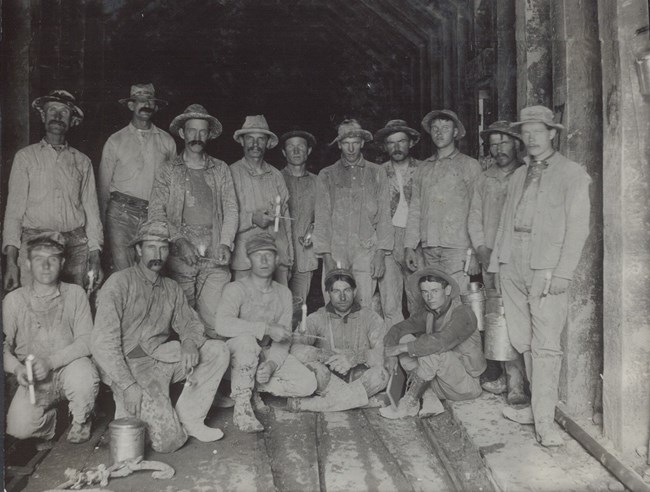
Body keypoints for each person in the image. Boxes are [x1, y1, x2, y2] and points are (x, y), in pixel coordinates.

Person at [488, 106, 591, 447]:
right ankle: (537, 407)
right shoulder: (519, 175)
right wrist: (497, 266)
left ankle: (545, 423)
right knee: (522, 341)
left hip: (545, 265)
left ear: (552, 134)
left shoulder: (572, 174)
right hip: (512, 262)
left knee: (546, 346)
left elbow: (578, 228)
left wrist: (563, 272)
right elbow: (505, 223)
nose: (530, 138)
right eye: (526, 132)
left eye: (537, 131)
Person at [92, 220, 229, 453]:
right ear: (138, 249)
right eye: (151, 247)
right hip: (130, 367)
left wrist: (188, 342)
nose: (158, 254)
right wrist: (127, 385)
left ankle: (190, 417)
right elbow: (103, 343)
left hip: (161, 358)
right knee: (168, 442)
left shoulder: (171, 287)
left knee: (218, 350)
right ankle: (137, 408)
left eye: (163, 247)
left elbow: (191, 323)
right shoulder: (119, 283)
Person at [212, 233, 317, 433]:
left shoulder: (283, 294)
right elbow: (221, 325)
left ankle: (254, 387)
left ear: (277, 260)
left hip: (264, 353)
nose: (263, 260)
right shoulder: (236, 288)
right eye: (257, 255)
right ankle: (242, 406)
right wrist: (266, 328)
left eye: (268, 255)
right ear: (248, 259)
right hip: (235, 355)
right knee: (247, 342)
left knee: (308, 384)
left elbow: (283, 339)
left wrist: (271, 364)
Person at [4, 232, 99, 446]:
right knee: (19, 428)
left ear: (63, 263)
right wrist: (18, 370)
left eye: (53, 259)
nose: (46, 266)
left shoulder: (75, 294)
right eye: (39, 259)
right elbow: (4, 348)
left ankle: (82, 418)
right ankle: (59, 421)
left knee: (83, 374)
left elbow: (87, 340)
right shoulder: (14, 300)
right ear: (28, 263)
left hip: (68, 368)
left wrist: (51, 362)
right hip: (34, 378)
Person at [3, 90, 103, 292]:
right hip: (34, 243)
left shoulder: (82, 161)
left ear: (72, 120)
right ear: (43, 116)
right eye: (52, 111)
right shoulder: (25, 157)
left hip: (75, 246)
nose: (57, 116)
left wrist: (95, 258)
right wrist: (11, 263)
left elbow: (92, 212)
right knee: (35, 309)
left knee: (75, 306)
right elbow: (13, 213)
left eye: (64, 112)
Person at [148, 104, 238, 330]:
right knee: (180, 321)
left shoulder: (220, 169)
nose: (197, 137)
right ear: (182, 133)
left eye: (202, 131)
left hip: (215, 258)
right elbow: (156, 211)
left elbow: (231, 209)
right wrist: (179, 240)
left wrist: (226, 243)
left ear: (208, 135)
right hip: (180, 257)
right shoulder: (168, 170)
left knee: (215, 323)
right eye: (191, 131)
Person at [468, 120, 527, 404]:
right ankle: (507, 377)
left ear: (517, 143)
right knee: (498, 320)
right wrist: (480, 248)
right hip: (490, 261)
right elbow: (474, 216)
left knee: (519, 318)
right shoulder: (484, 178)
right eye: (492, 144)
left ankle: (519, 383)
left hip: (519, 261)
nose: (497, 149)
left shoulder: (527, 174)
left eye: (503, 142)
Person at [380, 267, 486, 419]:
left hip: (466, 384)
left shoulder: (463, 313)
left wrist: (401, 349)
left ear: (447, 290)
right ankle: (428, 397)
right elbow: (398, 328)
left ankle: (409, 402)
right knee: (406, 339)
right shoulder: (429, 314)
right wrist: (391, 352)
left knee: (428, 348)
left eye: (435, 291)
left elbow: (441, 341)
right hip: (441, 382)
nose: (429, 297)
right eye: (425, 292)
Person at [313, 119, 393, 309]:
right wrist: (326, 256)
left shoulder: (377, 172)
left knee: (363, 305)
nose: (351, 148)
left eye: (355, 143)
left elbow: (384, 216)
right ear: (339, 144)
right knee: (335, 304)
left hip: (366, 251)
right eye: (346, 143)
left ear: (362, 143)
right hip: (336, 250)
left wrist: (380, 254)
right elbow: (322, 218)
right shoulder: (327, 175)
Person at [99, 83, 176, 272]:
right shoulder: (115, 140)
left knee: (152, 271)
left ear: (156, 106)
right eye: (140, 101)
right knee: (123, 272)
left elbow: (175, 187)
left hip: (154, 214)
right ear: (131, 106)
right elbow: (103, 187)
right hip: (121, 215)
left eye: (149, 100)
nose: (146, 105)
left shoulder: (167, 141)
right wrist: (100, 230)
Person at [289, 268, 388, 412]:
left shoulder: (370, 317)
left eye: (347, 290)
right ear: (328, 293)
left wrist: (356, 357)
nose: (342, 297)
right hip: (329, 382)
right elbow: (294, 347)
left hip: (360, 379)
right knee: (313, 369)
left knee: (381, 374)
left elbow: (384, 352)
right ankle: (361, 401)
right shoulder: (317, 318)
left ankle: (310, 405)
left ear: (354, 291)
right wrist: (322, 354)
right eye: (336, 291)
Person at [404, 110, 481, 293]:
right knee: (432, 303)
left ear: (455, 132)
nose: (439, 133)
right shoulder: (423, 169)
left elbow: (478, 211)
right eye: (435, 128)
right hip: (428, 248)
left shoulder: (470, 166)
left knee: (457, 301)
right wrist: (408, 246)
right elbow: (415, 209)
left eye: (445, 128)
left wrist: (475, 253)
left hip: (458, 249)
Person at [230, 115, 293, 285]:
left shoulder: (276, 175)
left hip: (276, 258)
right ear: (242, 141)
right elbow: (224, 218)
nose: (255, 144)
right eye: (250, 138)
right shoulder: (231, 173)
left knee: (278, 307)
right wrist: (251, 219)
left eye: (261, 139)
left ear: (267, 143)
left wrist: (289, 258)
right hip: (245, 260)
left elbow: (286, 219)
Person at [375, 119, 423, 326]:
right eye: (391, 143)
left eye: (401, 141)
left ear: (411, 143)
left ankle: (419, 351)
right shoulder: (377, 173)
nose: (397, 147)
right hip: (387, 238)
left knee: (419, 299)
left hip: (416, 239)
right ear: (385, 147)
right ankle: (393, 355)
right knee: (390, 303)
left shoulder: (423, 169)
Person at [279, 130, 318, 303]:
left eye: (300, 147)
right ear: (283, 152)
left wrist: (313, 229)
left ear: (308, 150)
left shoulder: (318, 182)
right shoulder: (275, 178)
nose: (296, 151)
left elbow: (324, 216)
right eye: (290, 147)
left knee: (298, 307)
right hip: (279, 257)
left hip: (305, 256)